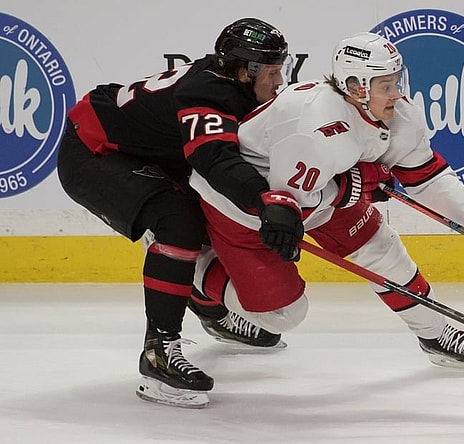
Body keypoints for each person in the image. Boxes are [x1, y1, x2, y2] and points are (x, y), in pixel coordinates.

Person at [188, 31, 464, 372]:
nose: (397, 94)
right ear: (357, 86)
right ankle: (194, 265)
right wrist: (352, 186)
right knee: (282, 314)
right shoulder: (316, 127)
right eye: (385, 85)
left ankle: (434, 333)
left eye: (396, 81)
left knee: (382, 249)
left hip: (315, 193)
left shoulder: (397, 115)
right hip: (242, 208)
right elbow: (288, 210)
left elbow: (426, 176)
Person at [57, 18, 291, 408]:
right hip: (92, 153)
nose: (279, 81)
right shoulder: (209, 95)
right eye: (271, 71)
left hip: (141, 148)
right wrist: (264, 199)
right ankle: (158, 353)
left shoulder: (232, 85)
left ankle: (211, 311)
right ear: (244, 71)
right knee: (177, 222)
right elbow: (214, 159)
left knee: (207, 214)